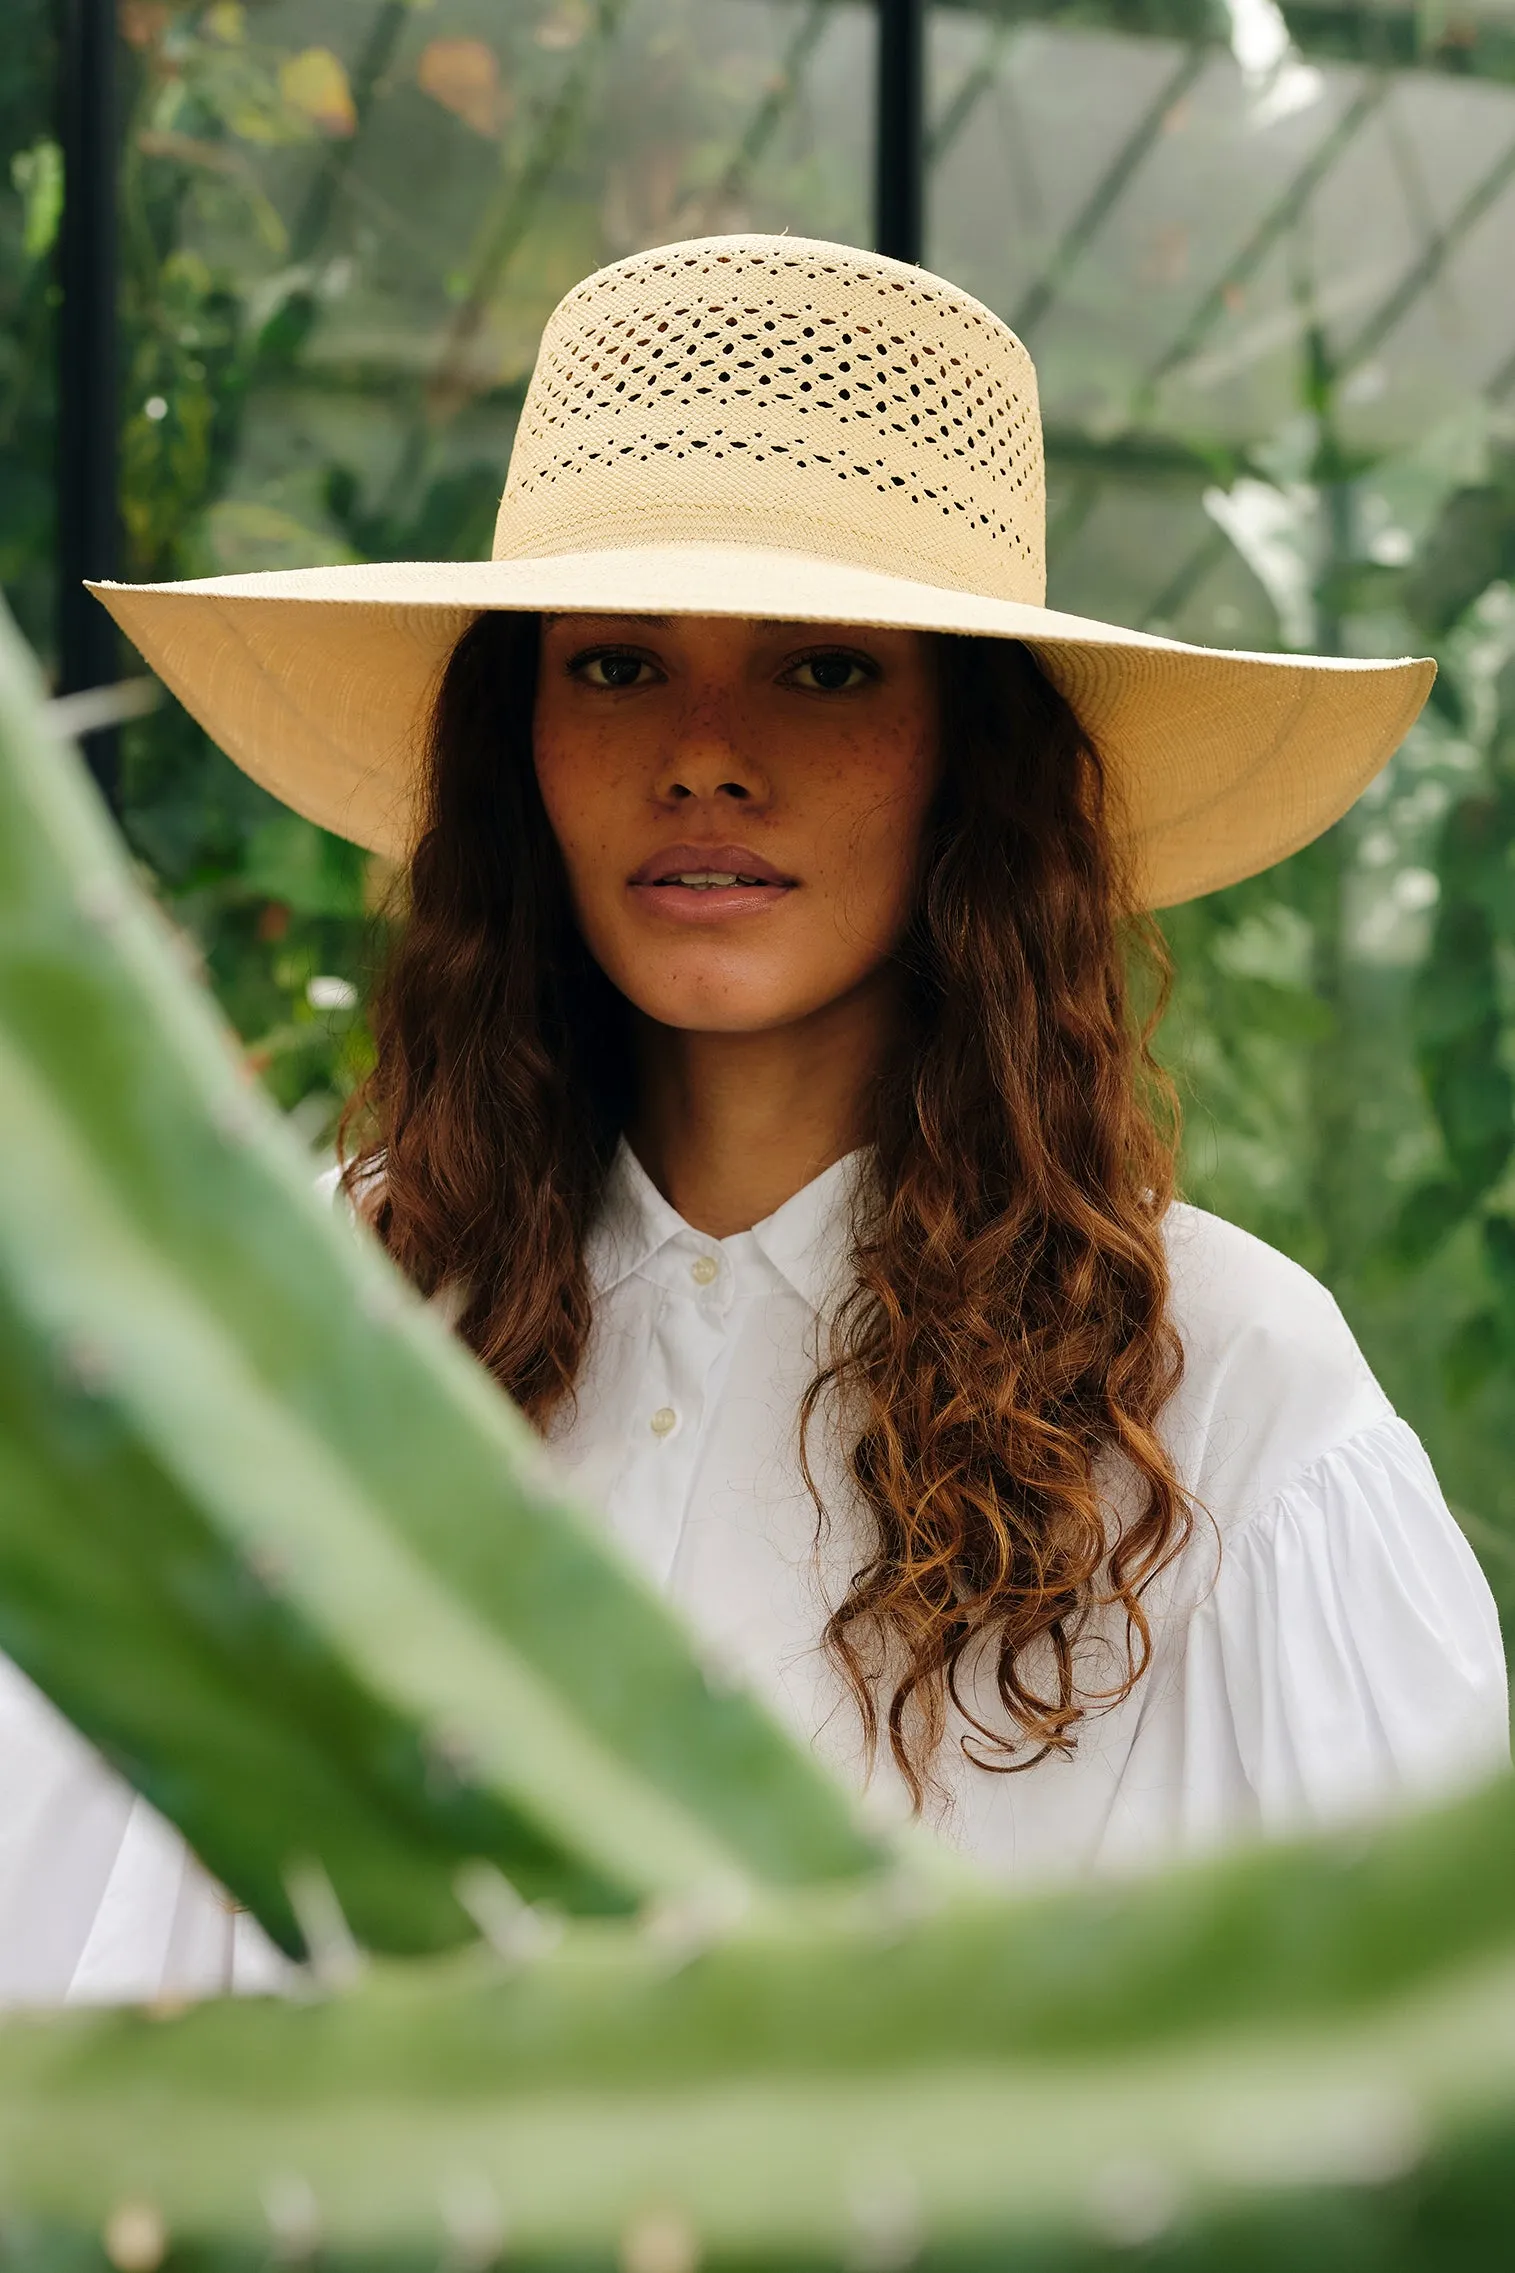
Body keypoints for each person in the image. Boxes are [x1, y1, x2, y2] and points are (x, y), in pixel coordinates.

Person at [7, 234, 1503, 2005]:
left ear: (976, 755)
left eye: (823, 667)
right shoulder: (303, 1324)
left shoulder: (1227, 1395)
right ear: (519, 740)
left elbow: (1424, 2070)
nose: (703, 754)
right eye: (620, 665)